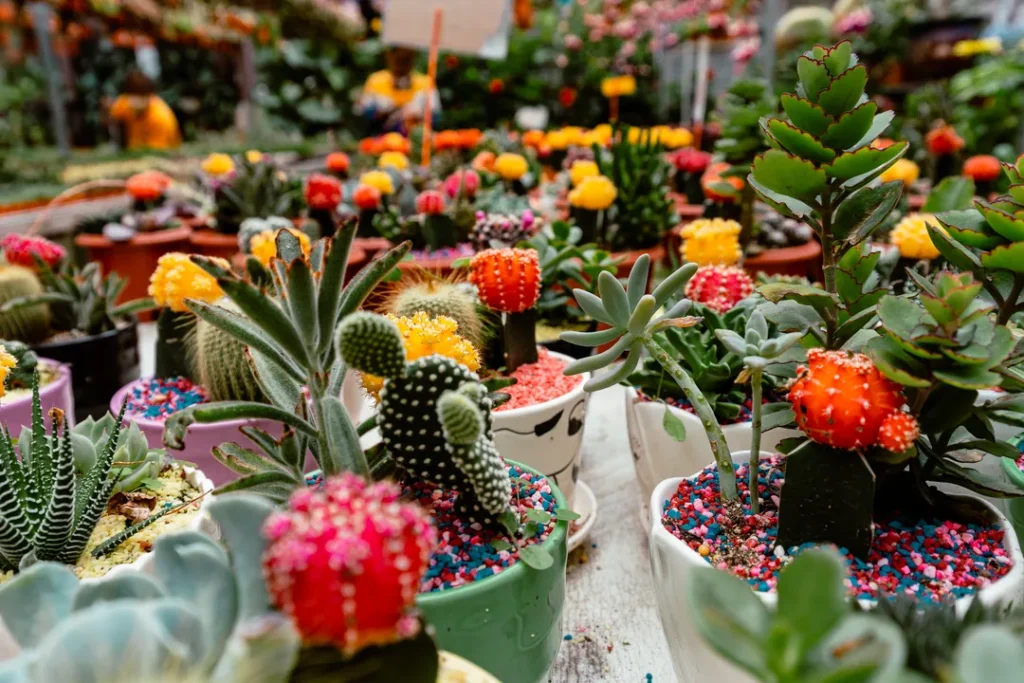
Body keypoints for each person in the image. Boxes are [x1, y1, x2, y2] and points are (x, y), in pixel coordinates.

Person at [356, 47, 440, 133]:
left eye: (406, 60)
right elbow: (361, 112)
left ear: (414, 58)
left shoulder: (426, 83)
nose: (402, 65)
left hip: (415, 139)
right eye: (399, 60)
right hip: (381, 140)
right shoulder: (376, 80)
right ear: (389, 56)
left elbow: (436, 117)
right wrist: (380, 113)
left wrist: (418, 116)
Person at [108, 70, 181, 150]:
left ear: (150, 96)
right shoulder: (123, 104)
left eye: (141, 97)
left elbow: (158, 150)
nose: (137, 101)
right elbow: (112, 119)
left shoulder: (161, 117)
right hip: (131, 148)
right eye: (133, 95)